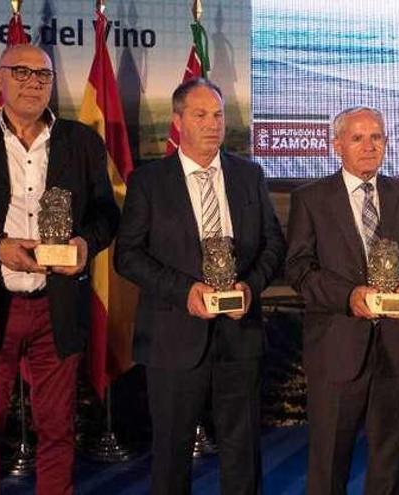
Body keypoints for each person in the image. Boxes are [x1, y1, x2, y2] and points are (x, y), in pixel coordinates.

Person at [0, 44, 119, 495]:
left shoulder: (83, 141)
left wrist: (85, 244)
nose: (33, 82)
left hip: (58, 305)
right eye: (22, 72)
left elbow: (107, 215)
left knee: (58, 429)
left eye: (44, 75)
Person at [114, 77, 285, 495]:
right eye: (200, 115)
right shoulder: (149, 181)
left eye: (218, 115)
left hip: (239, 336)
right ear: (178, 121)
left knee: (242, 452)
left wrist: (251, 287)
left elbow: (273, 244)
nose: (213, 124)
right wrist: (183, 291)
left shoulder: (249, 174)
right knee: (171, 456)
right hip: (173, 337)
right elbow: (128, 256)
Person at [286, 106, 399, 495]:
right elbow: (299, 270)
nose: (370, 146)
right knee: (329, 461)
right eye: (358, 138)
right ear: (337, 145)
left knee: (390, 458)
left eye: (377, 137)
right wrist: (348, 297)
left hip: (394, 347)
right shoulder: (311, 199)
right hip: (337, 347)